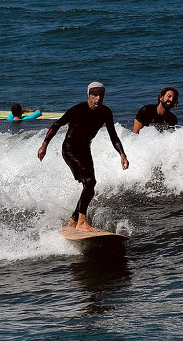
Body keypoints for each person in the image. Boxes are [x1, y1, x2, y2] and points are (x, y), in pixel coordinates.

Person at [37, 82, 129, 232]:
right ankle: (82, 222)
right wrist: (44, 145)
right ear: (89, 95)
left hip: (85, 150)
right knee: (90, 181)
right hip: (70, 149)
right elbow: (57, 124)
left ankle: (74, 220)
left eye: (101, 95)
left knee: (90, 186)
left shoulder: (106, 112)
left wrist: (122, 154)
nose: (98, 98)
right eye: (95, 95)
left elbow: (113, 135)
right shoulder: (77, 110)